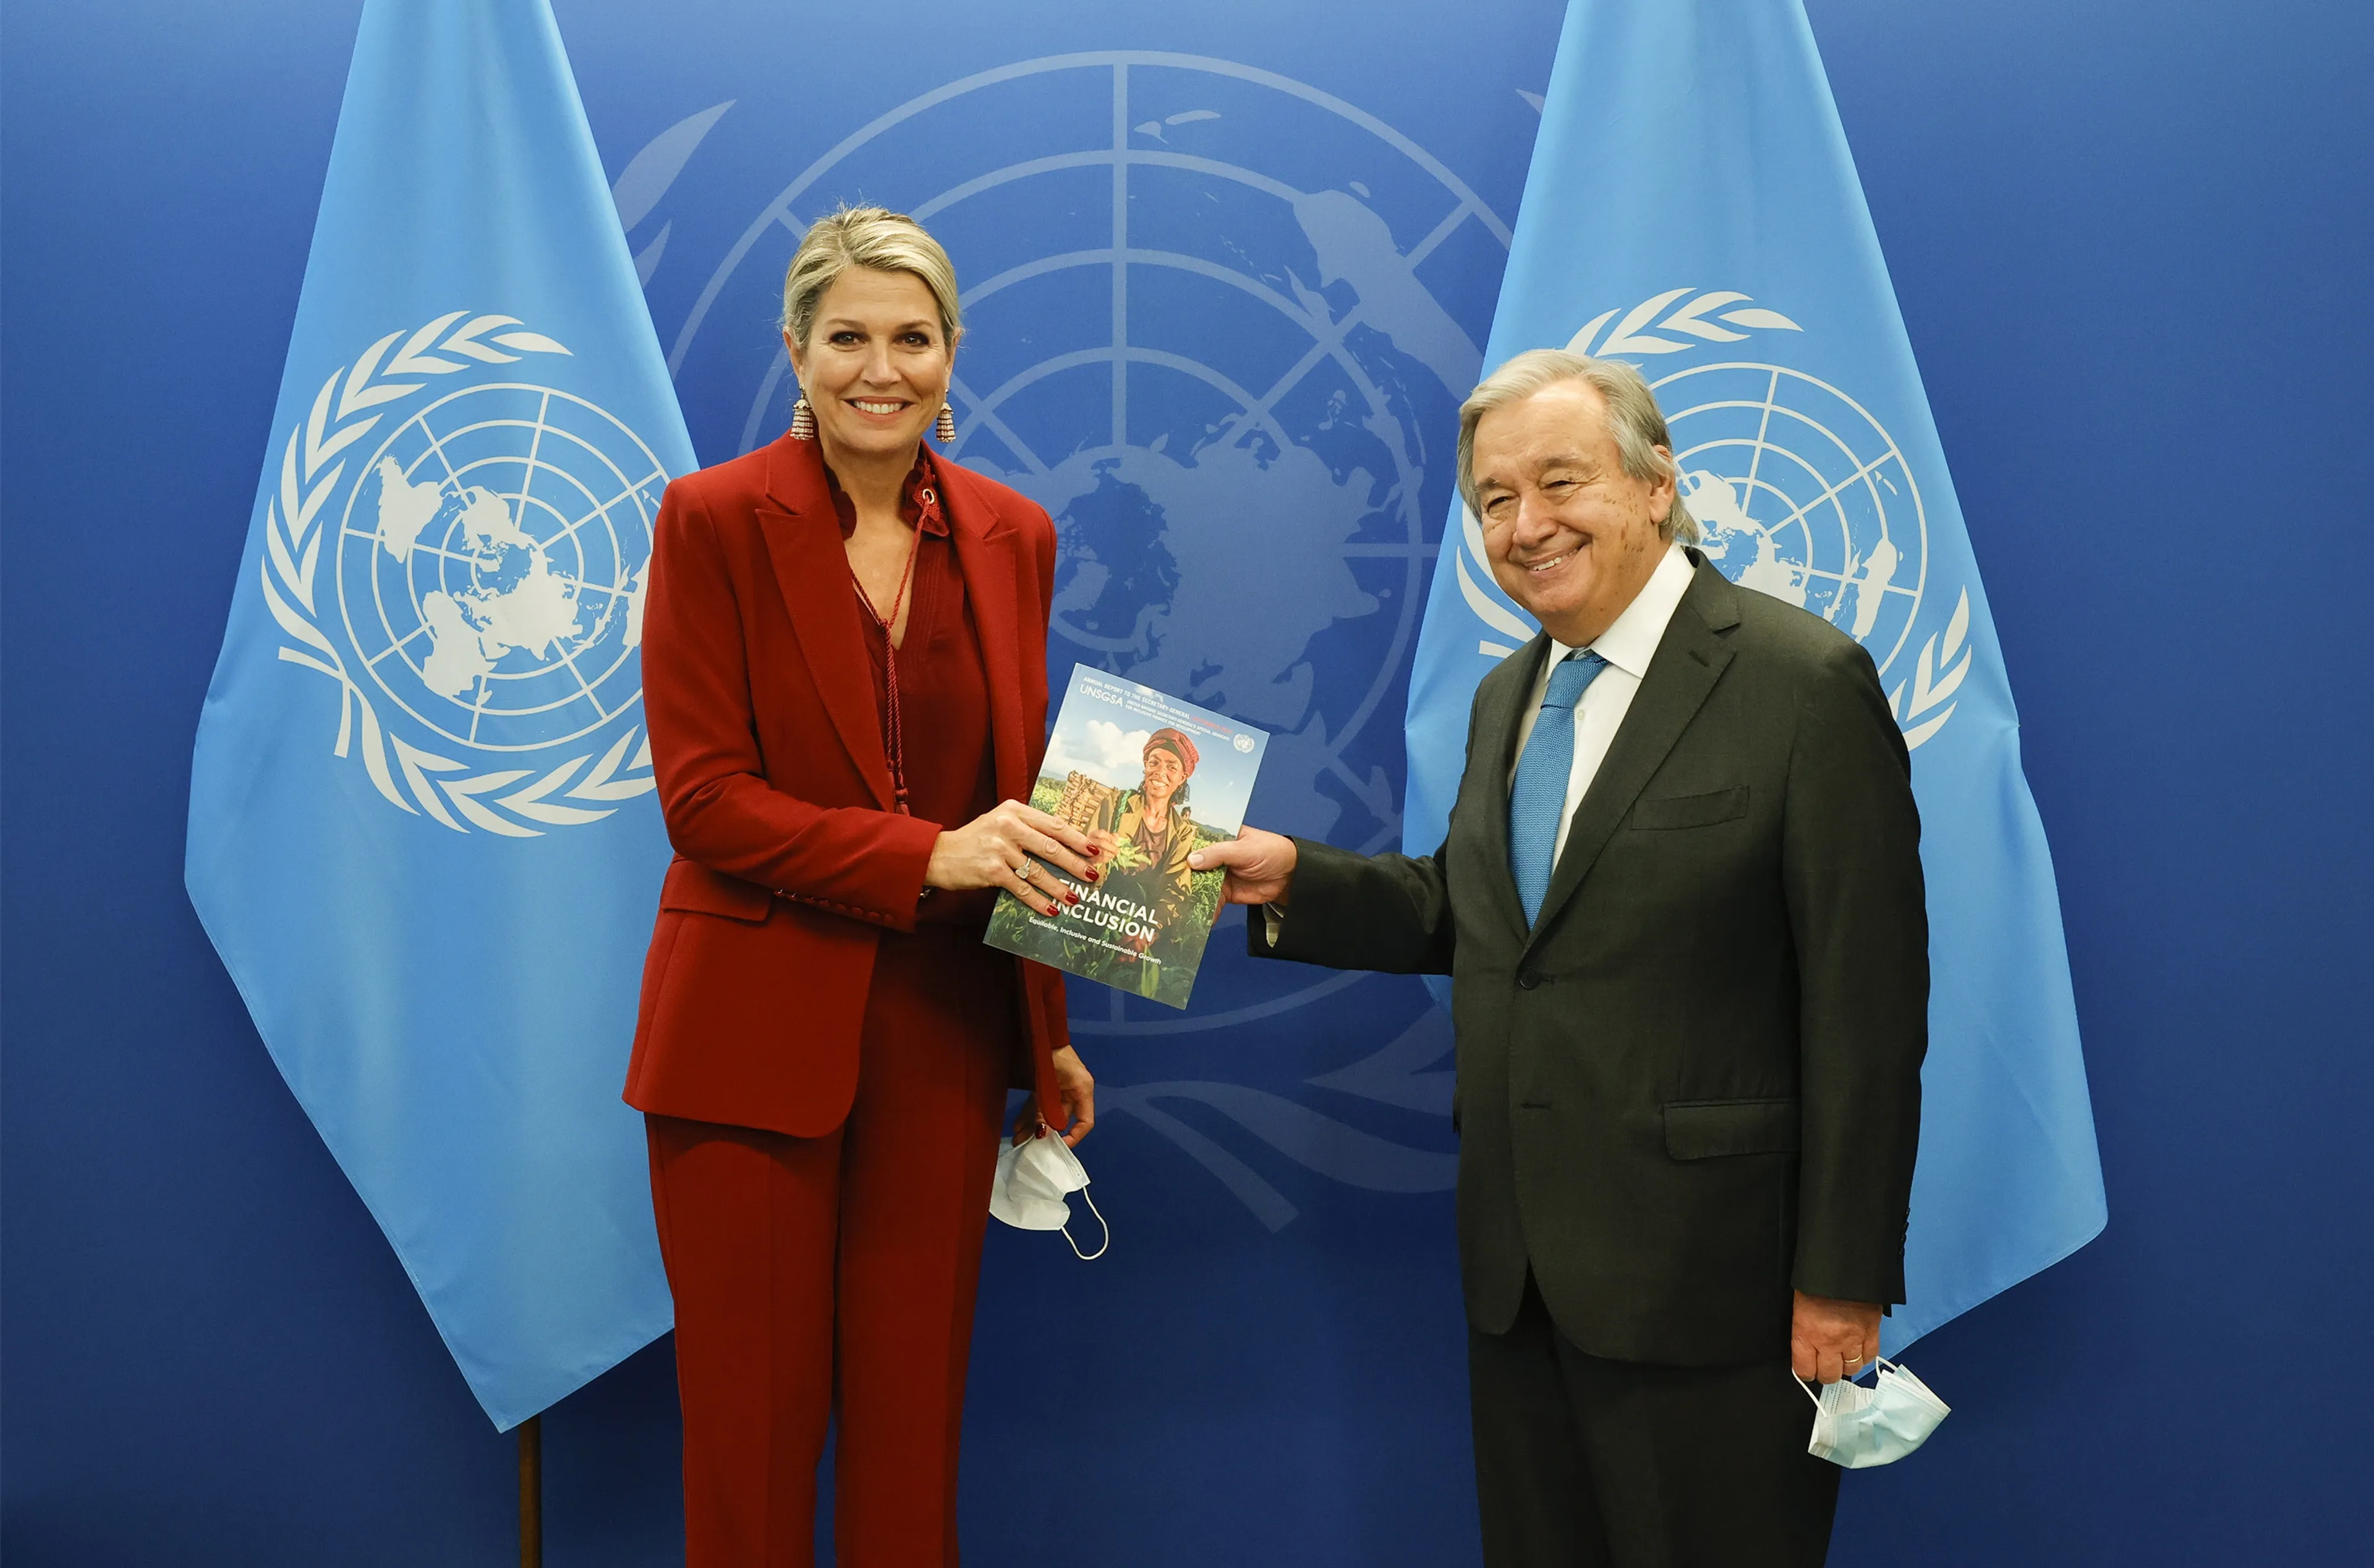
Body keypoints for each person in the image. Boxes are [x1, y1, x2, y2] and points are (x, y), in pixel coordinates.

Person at [1191, 351, 1928, 1567]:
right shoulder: (1509, 694)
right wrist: (1296, 879)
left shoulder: (1802, 682)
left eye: (1559, 481)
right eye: (1495, 498)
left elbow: (1870, 1006)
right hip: (1520, 1276)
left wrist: (1844, 1276)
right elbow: (1487, 919)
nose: (1525, 524)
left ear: (1656, 484)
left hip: (1718, 1291)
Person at [621, 206, 1104, 1567]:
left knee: (911, 1438)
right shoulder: (712, 518)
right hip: (745, 1038)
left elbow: (1025, 794)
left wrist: (1048, 1030)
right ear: (796, 349)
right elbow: (704, 801)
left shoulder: (1015, 532)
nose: (880, 369)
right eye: (847, 337)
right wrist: (924, 854)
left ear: (953, 354)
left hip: (944, 1034)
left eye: (912, 338)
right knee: (752, 1442)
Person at [1086, 727, 1201, 983]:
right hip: (1094, 911)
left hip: (1142, 925)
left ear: (1182, 777)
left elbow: (1176, 890)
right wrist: (1092, 856)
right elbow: (1084, 852)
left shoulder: (1182, 833)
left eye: (1172, 767)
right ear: (1145, 765)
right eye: (1154, 762)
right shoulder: (1116, 804)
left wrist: (1148, 931)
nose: (1160, 771)